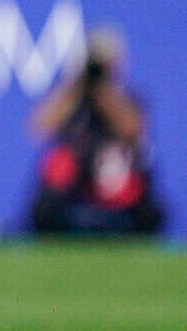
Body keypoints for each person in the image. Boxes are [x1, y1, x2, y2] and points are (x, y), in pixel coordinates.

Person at [28, 29, 162, 236]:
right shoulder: (73, 98)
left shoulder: (126, 98)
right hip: (79, 178)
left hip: (115, 172)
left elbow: (132, 130)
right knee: (58, 165)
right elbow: (39, 126)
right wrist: (77, 85)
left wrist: (103, 89)